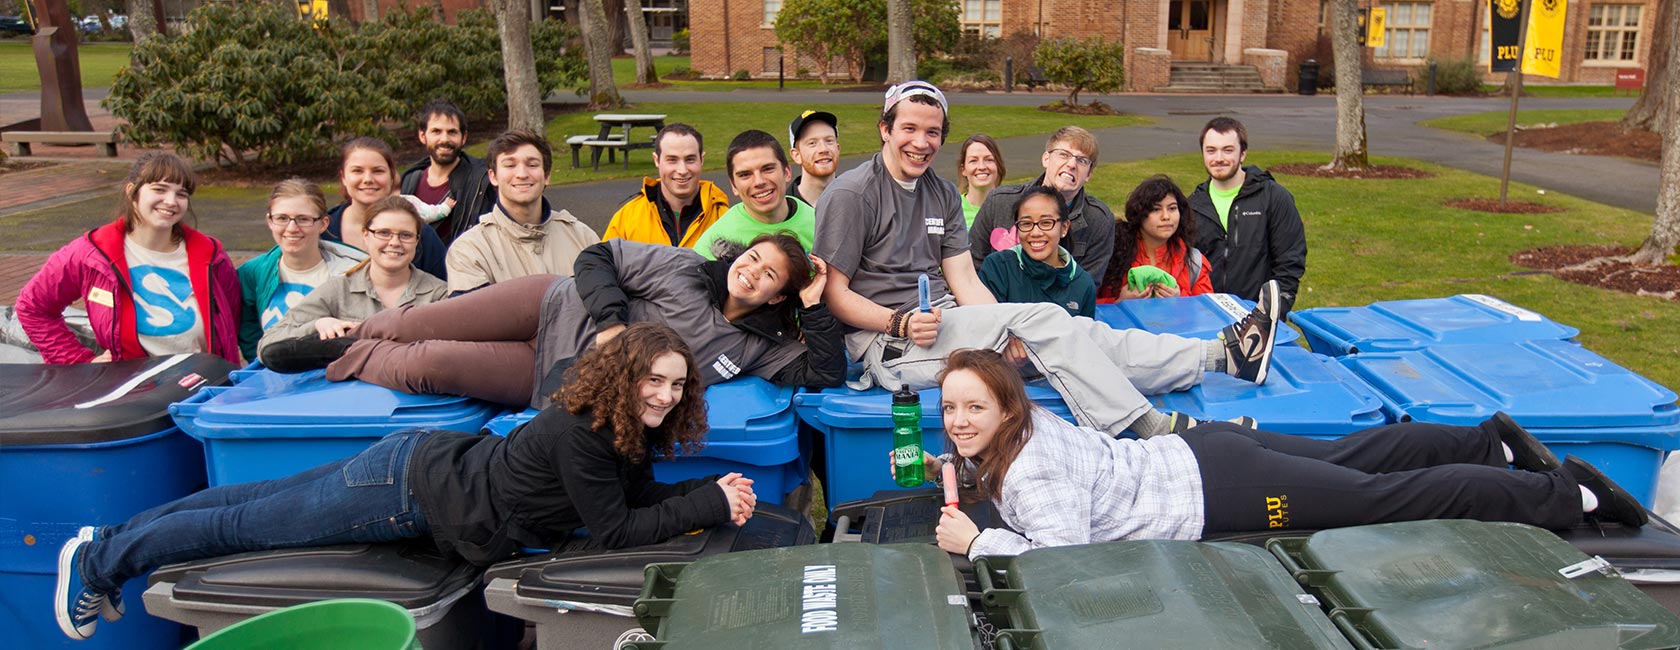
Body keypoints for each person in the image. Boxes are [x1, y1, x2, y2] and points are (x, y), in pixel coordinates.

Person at [54, 323, 758, 641]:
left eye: (676, 384)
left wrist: (711, 494)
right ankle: (98, 562)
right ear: (623, 374)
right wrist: (707, 502)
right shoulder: (584, 432)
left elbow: (626, 502)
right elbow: (613, 530)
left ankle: (109, 540)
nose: (665, 395)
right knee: (244, 524)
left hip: (416, 465)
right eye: (653, 379)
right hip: (401, 492)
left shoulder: (616, 425)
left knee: (249, 502)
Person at [814, 81, 1275, 440]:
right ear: (884, 129)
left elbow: (965, 280)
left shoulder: (939, 193)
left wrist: (998, 327)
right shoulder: (853, 194)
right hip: (890, 348)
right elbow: (832, 293)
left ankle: (1228, 356)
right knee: (1049, 321)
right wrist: (898, 324)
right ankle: (1151, 427)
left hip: (947, 324)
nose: (921, 142)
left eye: (931, 132)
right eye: (908, 129)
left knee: (1082, 332)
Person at [910, 348, 1648, 561]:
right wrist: (962, 469)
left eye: (974, 406)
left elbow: (1062, 554)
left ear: (1007, 405)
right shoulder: (1029, 426)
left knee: (1384, 499)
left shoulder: (1029, 467)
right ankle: (1488, 440)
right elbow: (1030, 485)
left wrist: (980, 542)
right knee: (1358, 453)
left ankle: (1568, 495)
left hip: (1221, 496)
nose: (959, 420)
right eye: (950, 409)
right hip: (1207, 451)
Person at [263, 234, 844, 409]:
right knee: (421, 323)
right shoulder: (688, 270)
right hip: (546, 303)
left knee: (432, 363)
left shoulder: (758, 346)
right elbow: (599, 258)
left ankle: (345, 357)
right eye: (753, 258)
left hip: (557, 371)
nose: (752, 272)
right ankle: (353, 331)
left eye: (769, 275)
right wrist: (612, 320)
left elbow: (824, 374)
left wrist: (816, 302)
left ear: (777, 297)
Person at [17, 153, 240, 365]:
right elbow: (33, 308)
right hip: (134, 395)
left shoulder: (212, 257)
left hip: (205, 389)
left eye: (181, 194)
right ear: (132, 192)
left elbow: (234, 323)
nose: (171, 201)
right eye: (159, 189)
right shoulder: (90, 254)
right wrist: (78, 362)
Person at [256, 196, 450, 357]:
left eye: (406, 235)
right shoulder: (338, 290)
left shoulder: (439, 295)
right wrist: (316, 326)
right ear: (365, 236)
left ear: (417, 241)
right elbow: (269, 343)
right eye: (383, 233)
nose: (394, 242)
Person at [446, 130, 600, 293]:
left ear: (547, 175)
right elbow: (475, 317)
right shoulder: (469, 250)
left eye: (532, 165)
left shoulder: (583, 238)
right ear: (493, 176)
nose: (522, 174)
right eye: (510, 165)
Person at [237, 179, 368, 361]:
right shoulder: (252, 273)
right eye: (282, 218)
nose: (292, 228)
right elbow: (249, 330)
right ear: (270, 221)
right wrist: (262, 364)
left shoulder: (352, 273)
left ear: (323, 223)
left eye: (303, 219)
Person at [1187, 117, 1307, 315]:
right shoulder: (1192, 206)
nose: (1219, 158)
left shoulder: (1274, 198)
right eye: (1211, 150)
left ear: (1243, 153)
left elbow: (1290, 261)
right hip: (1206, 315)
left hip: (1258, 315)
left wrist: (1272, 311)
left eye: (1228, 150)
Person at [969, 126, 1115, 281]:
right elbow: (971, 267)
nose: (1072, 164)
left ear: (1088, 174)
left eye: (1082, 160)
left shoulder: (1099, 220)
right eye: (1063, 154)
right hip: (994, 300)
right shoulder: (999, 202)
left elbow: (1086, 287)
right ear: (1046, 159)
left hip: (1058, 304)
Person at [325, 137, 450, 280]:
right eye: (357, 171)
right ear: (343, 177)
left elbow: (445, 290)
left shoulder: (420, 233)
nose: (368, 179)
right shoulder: (322, 230)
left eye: (378, 171)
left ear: (391, 177)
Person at [691, 130, 816, 261]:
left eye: (768, 169)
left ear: (787, 172)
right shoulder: (711, 248)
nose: (759, 182)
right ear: (734, 186)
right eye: (745, 175)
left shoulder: (820, 226)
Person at [602, 123, 730, 248]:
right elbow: (602, 264)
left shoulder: (724, 218)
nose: (682, 170)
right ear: (656, 160)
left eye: (690, 159)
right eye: (672, 160)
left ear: (702, 159)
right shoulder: (627, 218)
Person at [978, 185, 1096, 318]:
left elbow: (1083, 336)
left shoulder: (1083, 284)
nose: (1035, 233)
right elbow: (988, 326)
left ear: (1064, 227)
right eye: (1026, 223)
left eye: (1046, 222)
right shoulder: (998, 267)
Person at [1098, 175, 1213, 303]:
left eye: (1172, 208)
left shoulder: (1195, 262)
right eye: (1156, 209)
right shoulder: (1111, 251)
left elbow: (1207, 313)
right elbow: (1082, 306)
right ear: (1139, 213)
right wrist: (1119, 302)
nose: (1166, 216)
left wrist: (1180, 299)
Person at [398, 100, 497, 246]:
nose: (444, 139)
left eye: (452, 132)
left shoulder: (482, 182)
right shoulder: (410, 179)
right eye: (436, 131)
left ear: (463, 137)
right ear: (422, 135)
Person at [787, 109, 839, 206]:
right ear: (796, 155)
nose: (823, 149)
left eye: (829, 141)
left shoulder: (859, 199)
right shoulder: (783, 211)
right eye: (812, 143)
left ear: (838, 148)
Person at [955, 133, 1004, 227]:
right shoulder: (952, 210)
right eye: (973, 161)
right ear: (963, 169)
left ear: (998, 165)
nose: (982, 167)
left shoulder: (1012, 208)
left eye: (989, 160)